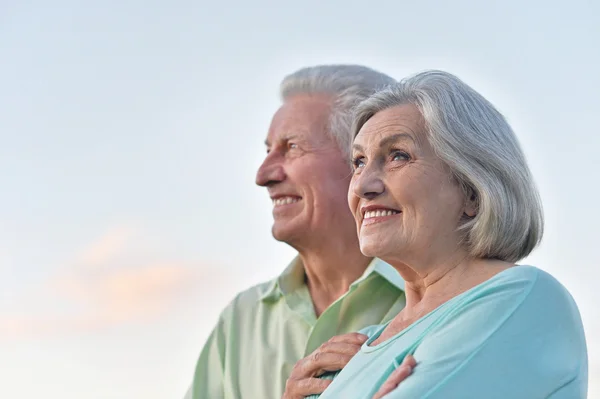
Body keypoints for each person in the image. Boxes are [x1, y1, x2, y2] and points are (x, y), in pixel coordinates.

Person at [292, 70, 588, 399]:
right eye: (359, 161)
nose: (362, 185)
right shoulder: (358, 347)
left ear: (472, 192)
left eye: (398, 156)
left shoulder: (524, 299)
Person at [185, 65, 407, 399]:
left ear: (362, 161)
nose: (263, 175)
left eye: (292, 147)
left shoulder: (446, 298)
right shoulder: (242, 319)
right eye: (268, 150)